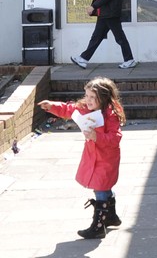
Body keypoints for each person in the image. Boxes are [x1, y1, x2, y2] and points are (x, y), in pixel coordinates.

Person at [38, 77, 125, 239]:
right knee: (102, 185)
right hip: (92, 154)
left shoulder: (111, 114)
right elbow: (69, 109)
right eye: (86, 95)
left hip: (106, 157)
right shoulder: (84, 108)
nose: (88, 100)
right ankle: (111, 216)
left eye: (93, 97)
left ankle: (98, 226)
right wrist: (52, 106)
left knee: (100, 186)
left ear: (104, 97)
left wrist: (96, 136)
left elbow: (115, 138)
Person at [71, 0, 136, 69]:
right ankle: (83, 59)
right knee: (96, 38)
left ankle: (129, 60)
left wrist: (93, 6)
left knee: (120, 38)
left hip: (111, 15)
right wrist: (96, 8)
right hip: (104, 15)